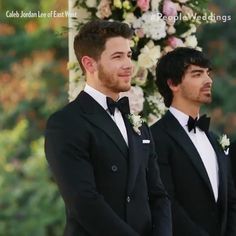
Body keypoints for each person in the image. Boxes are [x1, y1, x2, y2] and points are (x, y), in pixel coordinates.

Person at [45, 19, 172, 236]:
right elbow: (84, 202)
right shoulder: (65, 123)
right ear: (89, 64)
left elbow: (158, 195)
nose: (128, 65)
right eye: (117, 57)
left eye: (129, 55)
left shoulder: (139, 124)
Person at [150, 47, 236, 236]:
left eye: (208, 73)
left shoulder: (215, 140)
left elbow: (230, 201)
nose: (208, 80)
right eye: (197, 74)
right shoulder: (156, 137)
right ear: (173, 83)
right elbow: (167, 202)